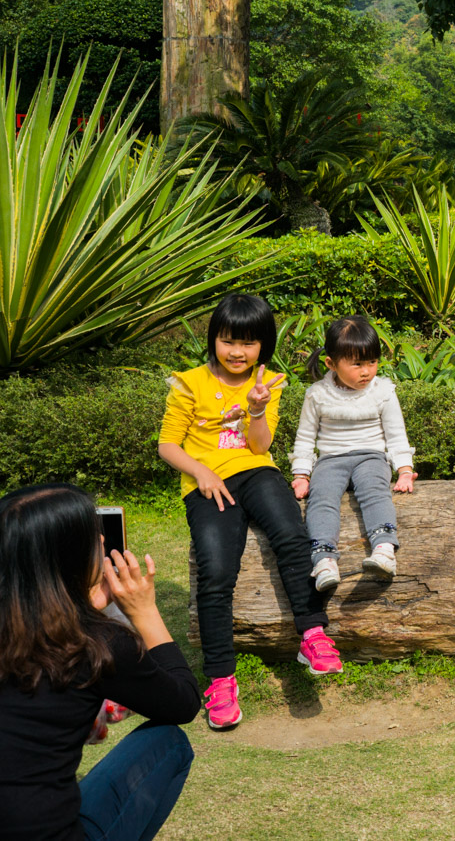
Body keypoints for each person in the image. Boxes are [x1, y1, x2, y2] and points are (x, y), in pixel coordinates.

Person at [157, 293, 343, 732]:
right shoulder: (189, 382)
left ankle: (313, 635)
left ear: (264, 345)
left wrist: (256, 409)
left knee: (291, 536)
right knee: (216, 572)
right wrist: (200, 472)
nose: (237, 352)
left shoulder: (270, 382)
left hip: (256, 472)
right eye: (227, 341)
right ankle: (220, 679)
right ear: (214, 340)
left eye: (249, 343)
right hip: (208, 484)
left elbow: (260, 446)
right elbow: (166, 445)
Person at [0, 484, 199, 841]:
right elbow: (183, 703)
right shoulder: (93, 645)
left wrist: (80, 609)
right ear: (74, 557)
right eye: (96, 538)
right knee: (169, 742)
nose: (104, 542)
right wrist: (144, 611)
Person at [290, 315, 415, 591]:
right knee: (321, 499)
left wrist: (404, 469)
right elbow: (305, 437)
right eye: (357, 363)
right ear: (331, 364)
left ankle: (384, 550)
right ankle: (323, 560)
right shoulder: (317, 394)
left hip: (370, 456)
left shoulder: (382, 391)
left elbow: (395, 434)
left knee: (374, 490)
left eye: (372, 362)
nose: (366, 371)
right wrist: (301, 473)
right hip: (330, 461)